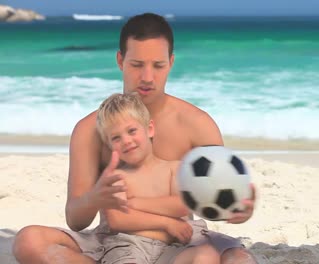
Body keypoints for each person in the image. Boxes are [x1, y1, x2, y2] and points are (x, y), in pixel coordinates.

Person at [13, 12, 257, 264]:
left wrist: (239, 209)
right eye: (137, 65)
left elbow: (215, 200)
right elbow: (76, 220)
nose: (148, 77)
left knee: (238, 258)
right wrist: (95, 197)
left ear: (171, 63)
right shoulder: (89, 129)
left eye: (158, 65)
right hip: (113, 241)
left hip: (181, 243)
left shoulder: (196, 124)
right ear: (120, 60)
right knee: (29, 240)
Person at [94, 92, 232, 263]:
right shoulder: (116, 177)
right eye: (116, 138)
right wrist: (167, 224)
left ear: (149, 129)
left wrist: (134, 203)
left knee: (206, 256)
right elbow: (118, 219)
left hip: (174, 248)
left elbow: (182, 205)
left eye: (132, 131)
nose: (126, 141)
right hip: (131, 247)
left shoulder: (173, 169)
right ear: (109, 145)